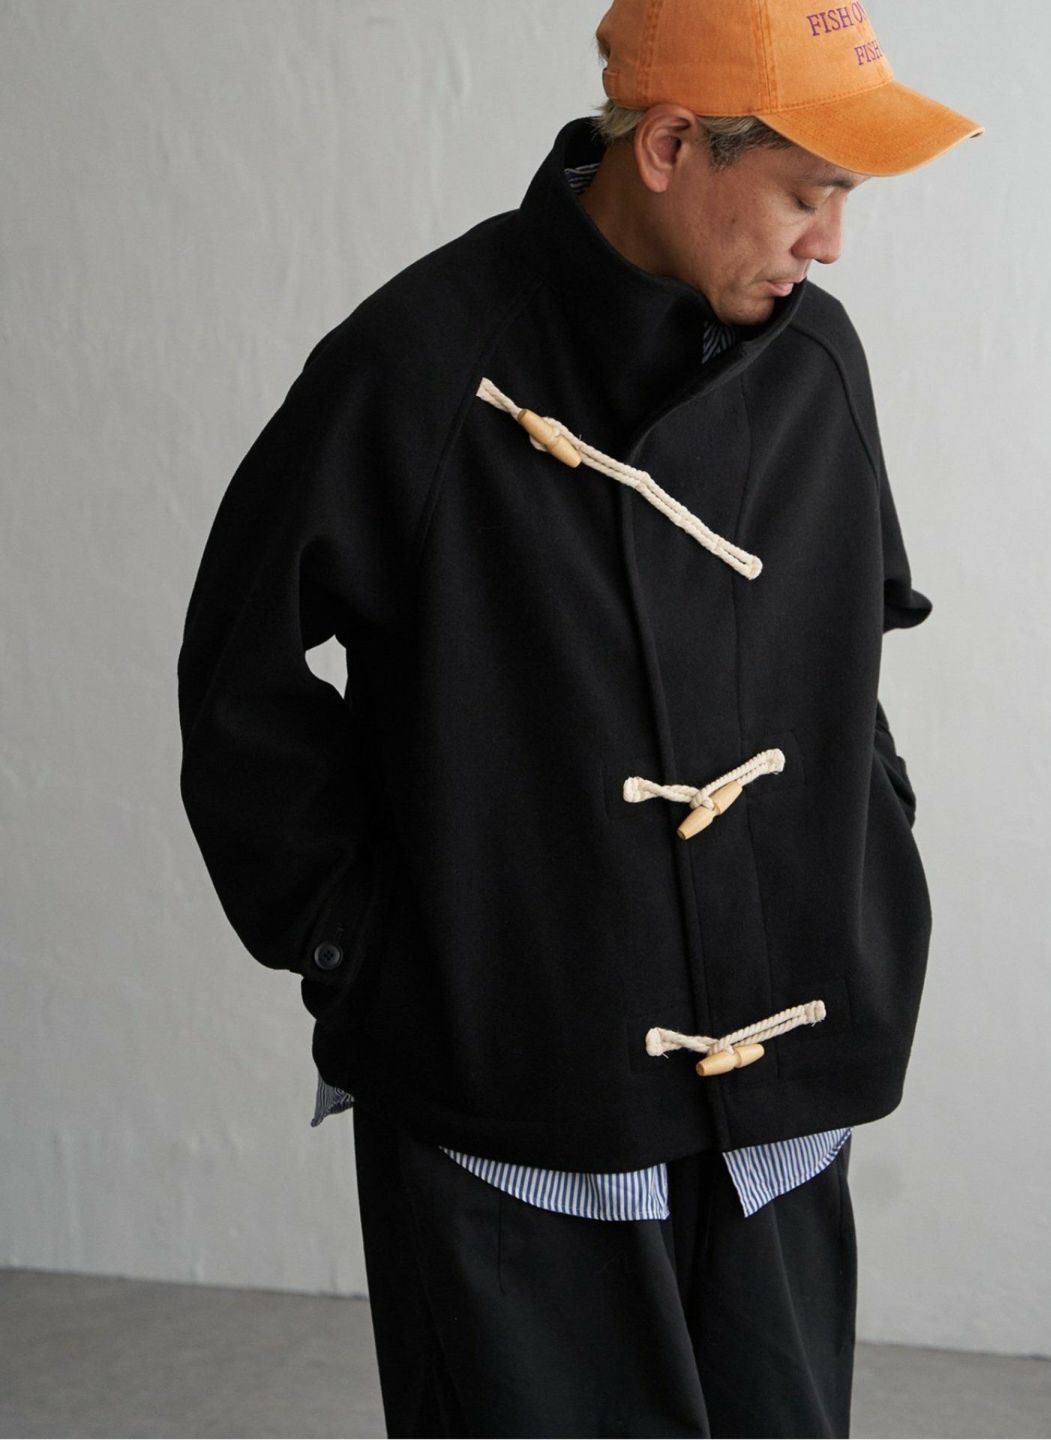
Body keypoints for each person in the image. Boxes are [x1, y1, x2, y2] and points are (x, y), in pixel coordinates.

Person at [176, 2, 983, 1435]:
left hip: (781, 1103)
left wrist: (867, 860)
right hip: (513, 1109)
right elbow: (241, 678)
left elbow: (846, 652)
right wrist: (367, 950)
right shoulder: (421, 361)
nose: (830, 245)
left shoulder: (818, 363)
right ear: (669, 146)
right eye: (807, 193)